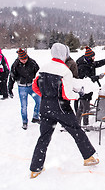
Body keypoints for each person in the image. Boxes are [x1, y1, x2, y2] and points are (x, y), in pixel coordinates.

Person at [29, 43, 99, 179]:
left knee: (43, 138)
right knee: (77, 132)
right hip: (61, 108)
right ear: (64, 54)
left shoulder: (43, 68)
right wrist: (79, 95)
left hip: (45, 108)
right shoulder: (64, 70)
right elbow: (67, 94)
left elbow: (34, 87)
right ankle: (89, 157)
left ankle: (35, 168)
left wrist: (46, 96)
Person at [76, 46, 105, 125]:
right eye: (93, 56)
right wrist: (98, 77)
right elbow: (86, 80)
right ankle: (86, 125)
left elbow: (98, 63)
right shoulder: (82, 66)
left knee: (81, 108)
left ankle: (76, 124)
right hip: (84, 89)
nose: (94, 58)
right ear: (89, 57)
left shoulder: (89, 62)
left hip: (88, 89)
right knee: (86, 108)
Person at [8, 48, 41, 130]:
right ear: (19, 58)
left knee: (39, 100)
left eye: (25, 59)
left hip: (31, 86)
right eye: (22, 59)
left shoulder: (32, 62)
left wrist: (41, 85)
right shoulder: (16, 64)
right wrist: (10, 89)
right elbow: (12, 77)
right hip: (22, 87)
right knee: (24, 106)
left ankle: (36, 117)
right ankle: (25, 122)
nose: (24, 61)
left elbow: (39, 74)